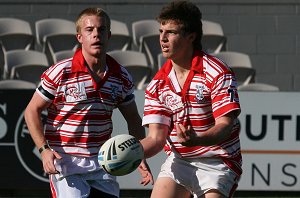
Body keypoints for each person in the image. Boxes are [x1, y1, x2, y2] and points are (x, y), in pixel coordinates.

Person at [24, 7, 153, 198]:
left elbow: (133, 118)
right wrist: (44, 150)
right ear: (79, 37)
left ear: (108, 35)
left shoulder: (121, 76)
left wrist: (138, 153)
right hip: (67, 162)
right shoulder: (61, 71)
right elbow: (32, 110)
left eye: (101, 30)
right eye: (89, 30)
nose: (96, 35)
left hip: (104, 162)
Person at [140, 1, 242, 198]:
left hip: (218, 161)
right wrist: (133, 153)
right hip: (180, 161)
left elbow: (225, 125)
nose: (162, 38)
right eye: (161, 31)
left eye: (171, 32)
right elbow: (156, 138)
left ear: (191, 37)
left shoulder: (217, 72)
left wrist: (197, 139)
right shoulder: (157, 85)